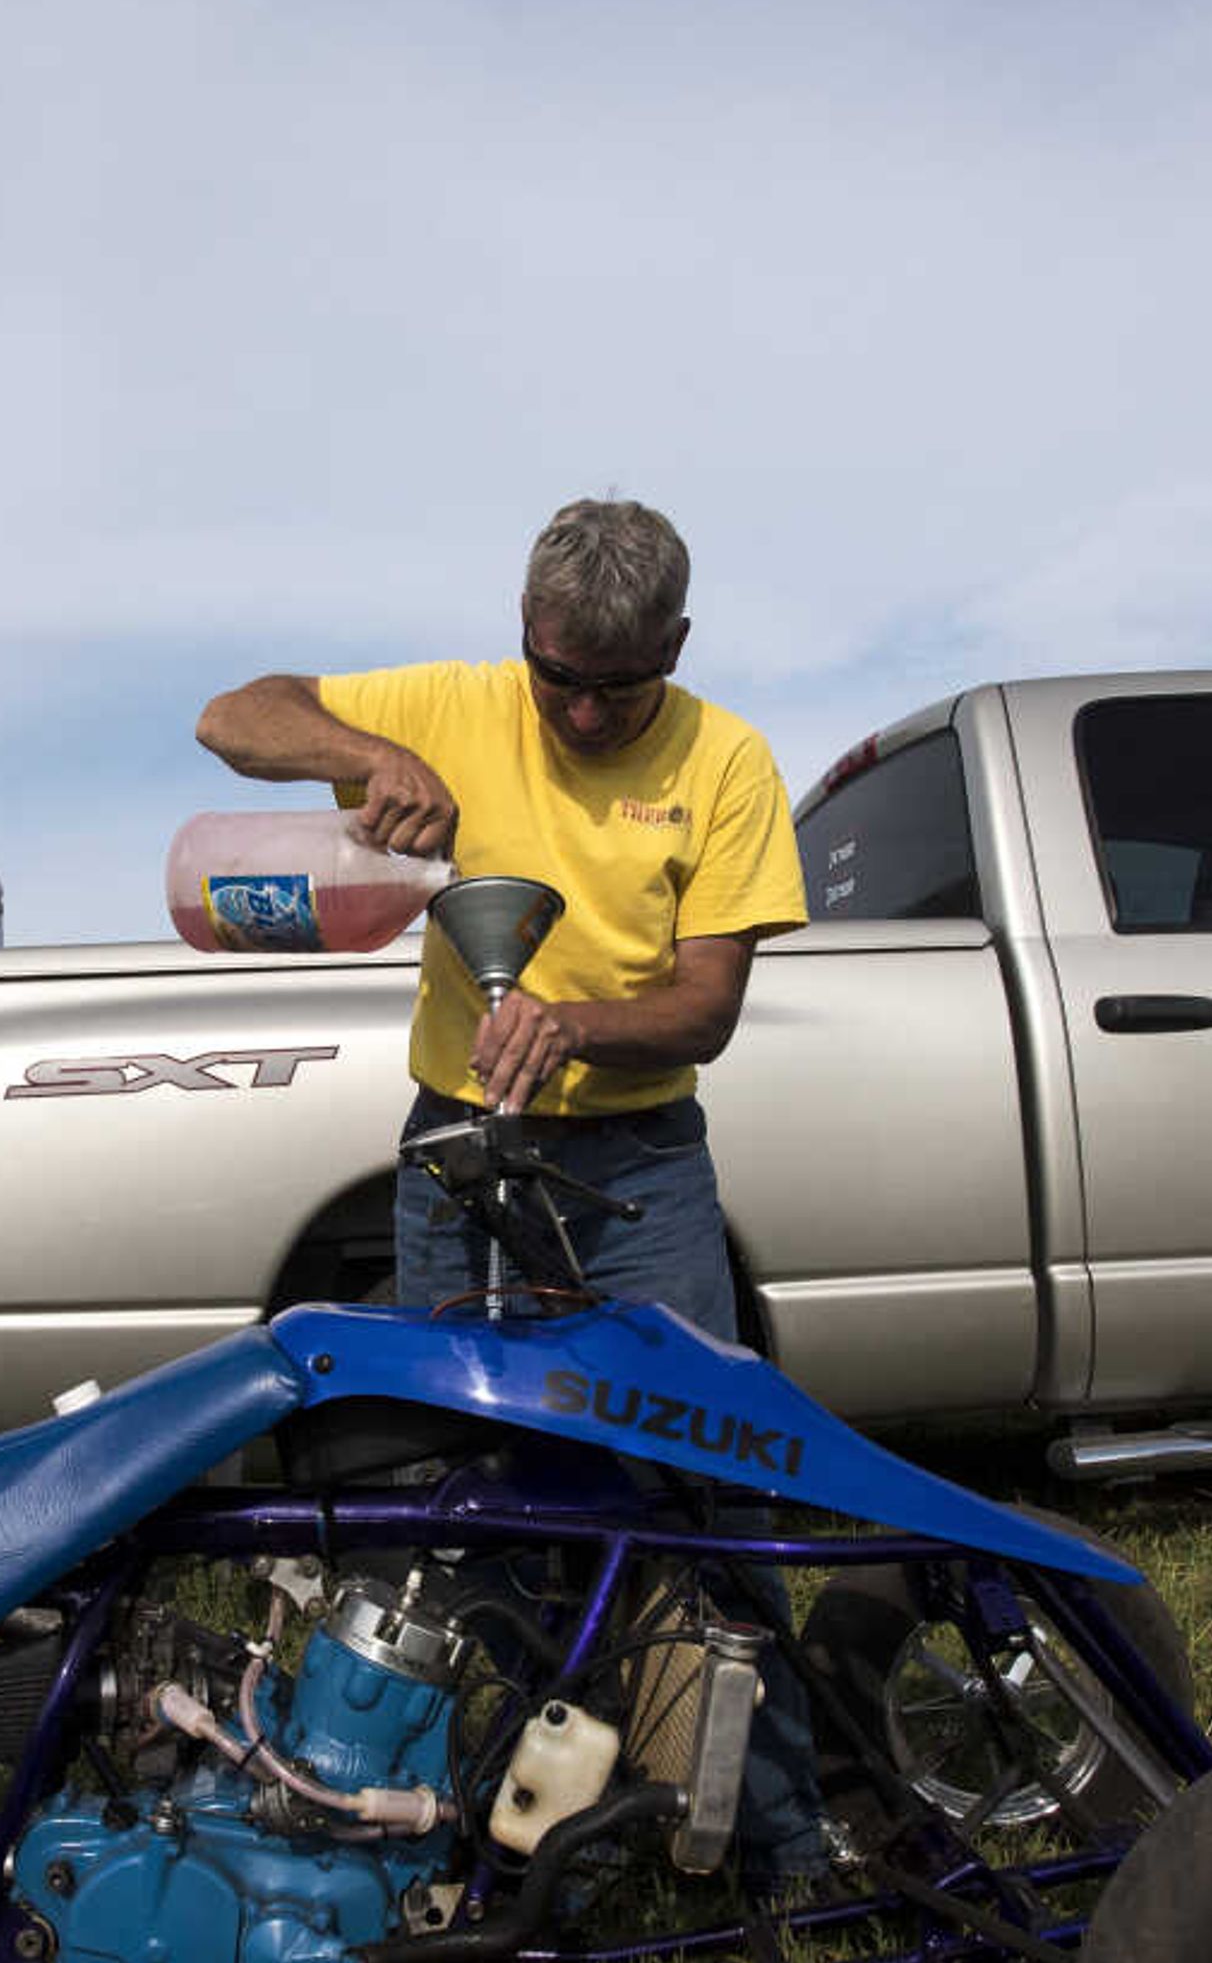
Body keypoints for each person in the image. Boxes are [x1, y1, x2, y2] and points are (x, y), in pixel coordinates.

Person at [195, 496, 827, 1889]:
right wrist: (368, 755)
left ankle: (769, 1836)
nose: (588, 717)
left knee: (708, 1478)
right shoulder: (452, 709)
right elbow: (233, 715)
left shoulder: (727, 760)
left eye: (623, 687)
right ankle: (475, 1826)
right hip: (458, 1152)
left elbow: (708, 1005)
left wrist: (577, 1026)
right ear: (522, 635)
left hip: (640, 1168)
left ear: (678, 642)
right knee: (473, 1491)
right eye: (560, 681)